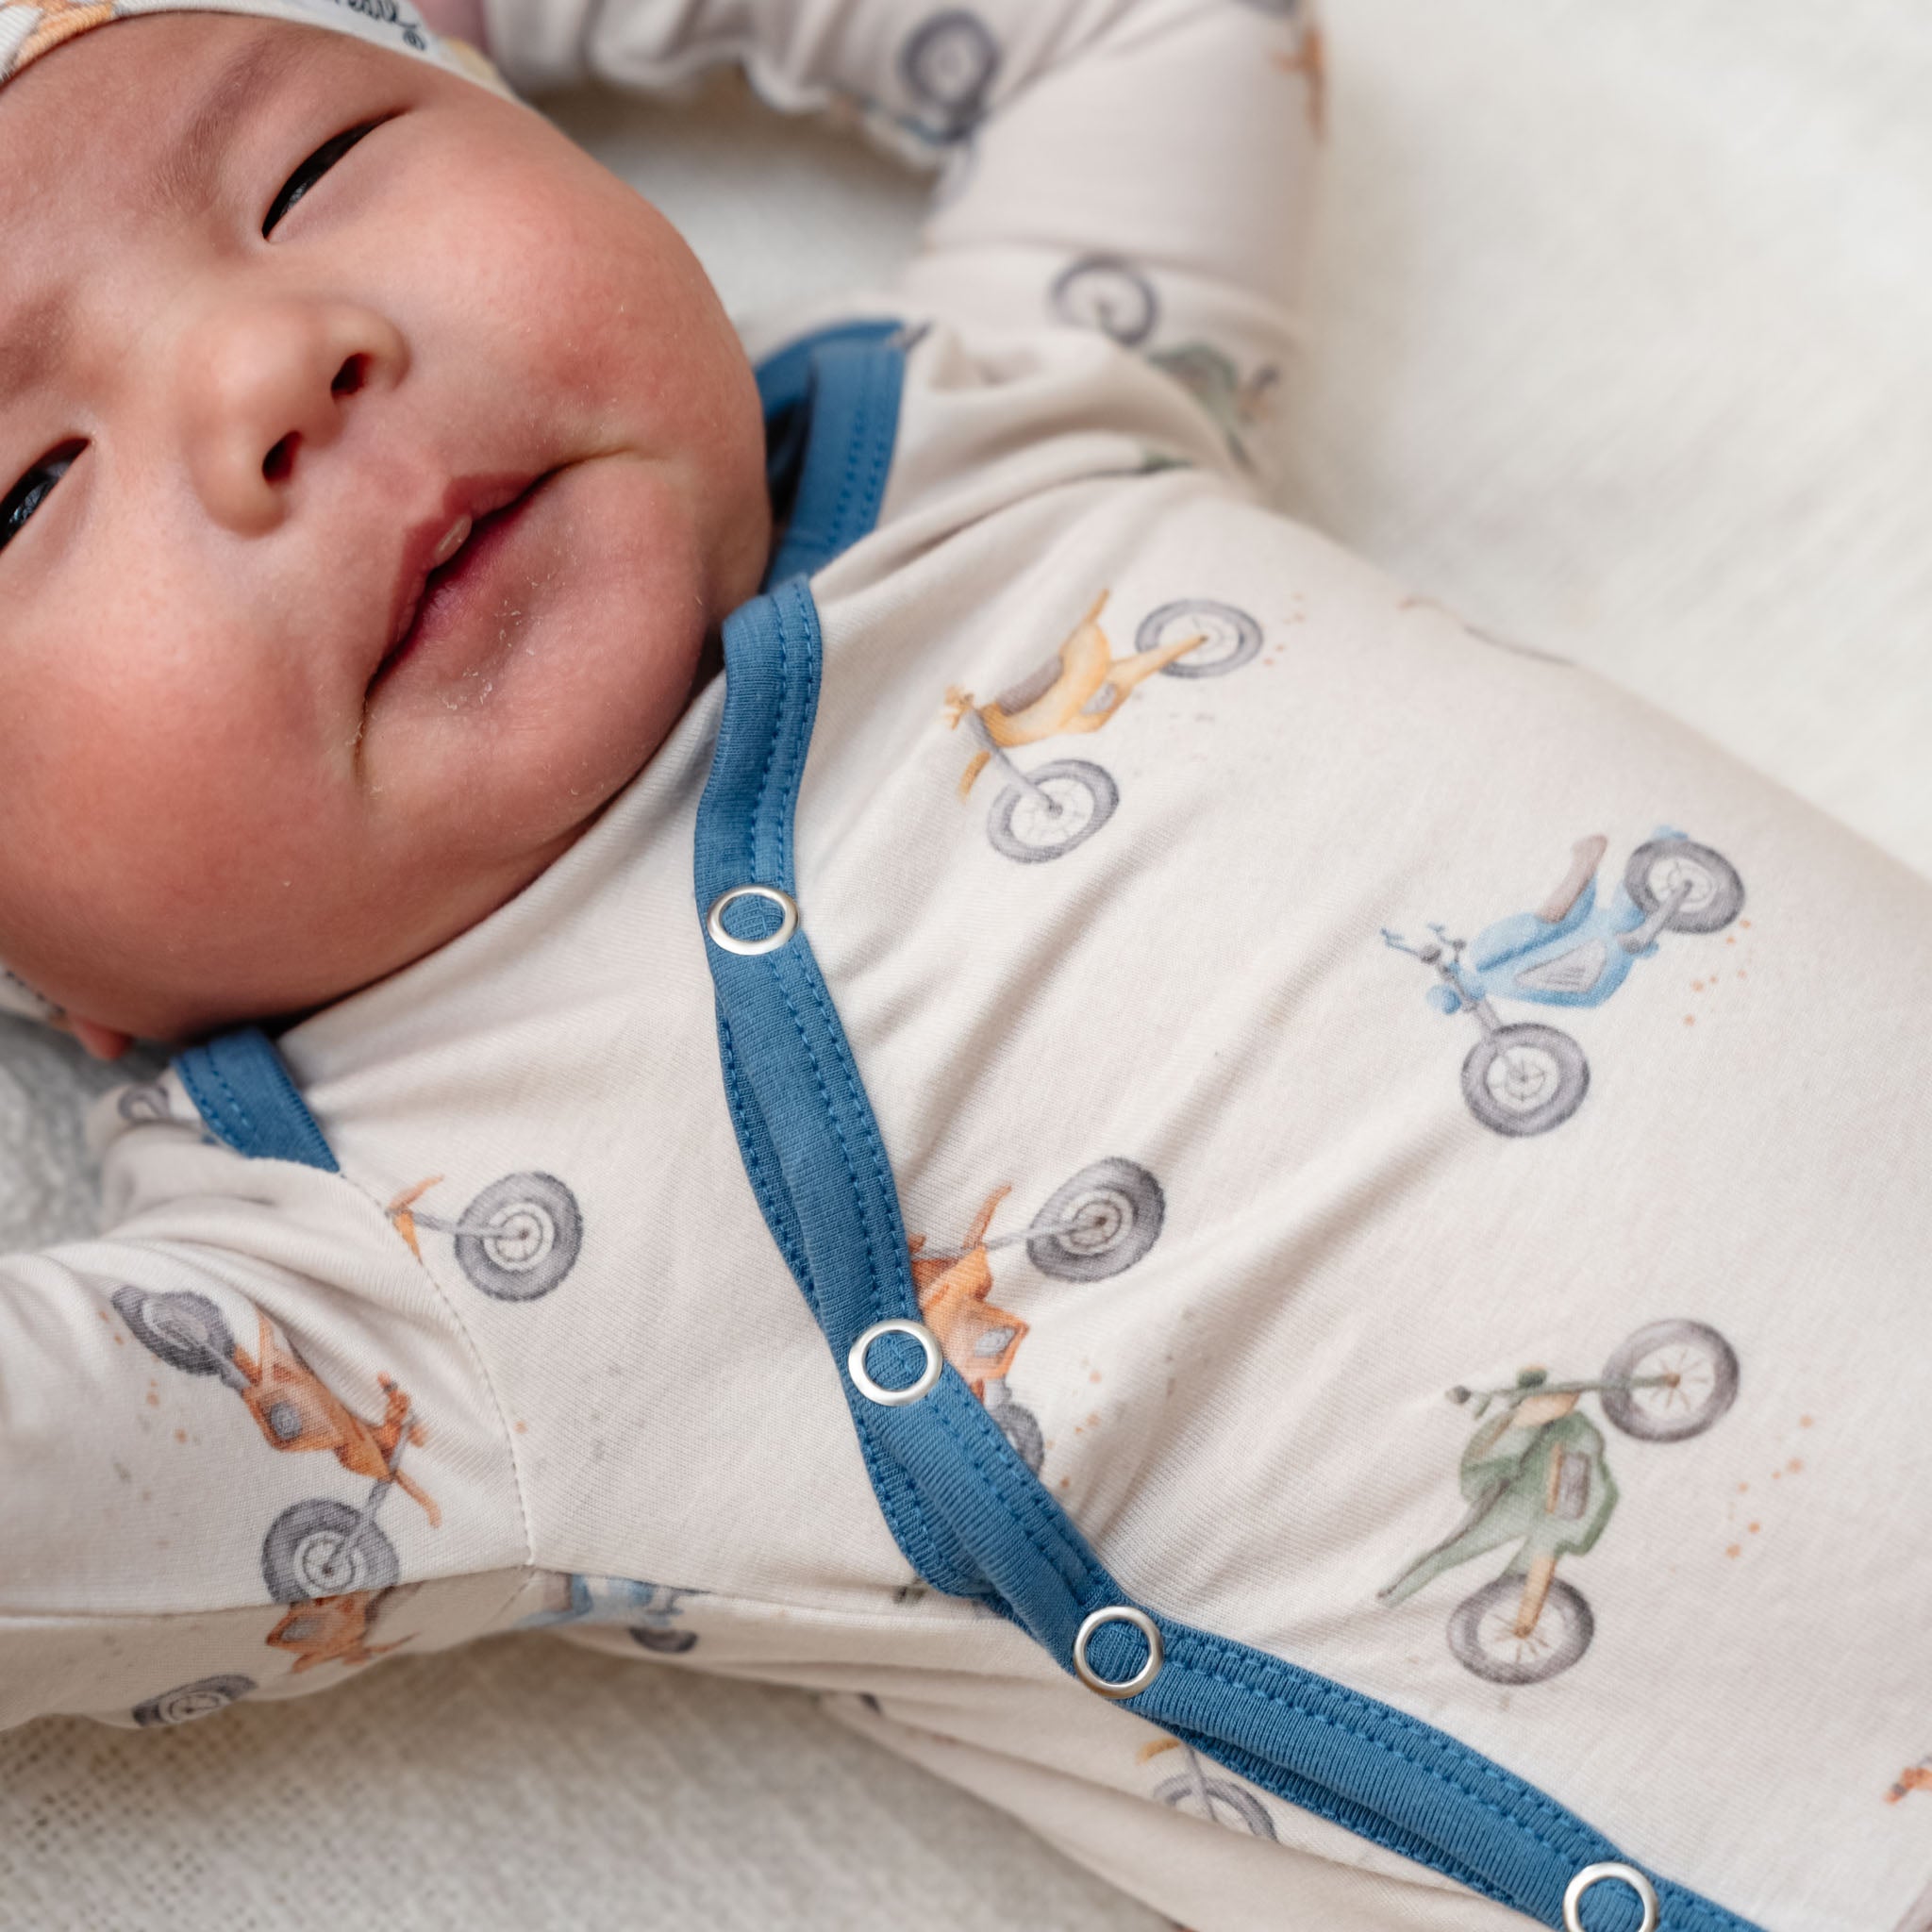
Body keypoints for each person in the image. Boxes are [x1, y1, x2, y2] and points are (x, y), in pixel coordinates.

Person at [0, 4, 1923, 1928]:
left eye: (319, 164)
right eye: (28, 486)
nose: (278, 357)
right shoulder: (366, 1307)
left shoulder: (1009, 405)